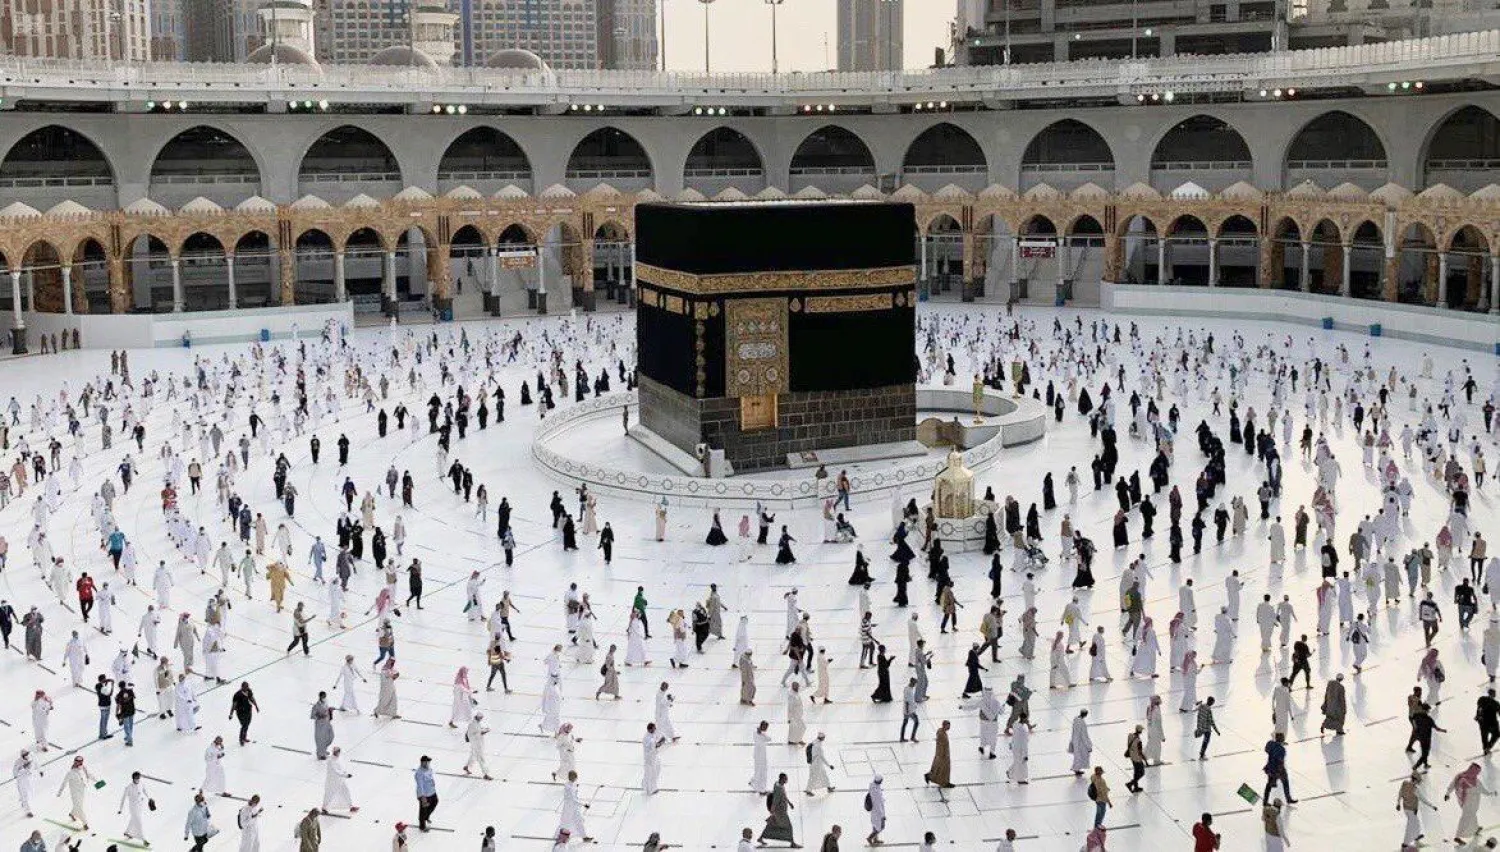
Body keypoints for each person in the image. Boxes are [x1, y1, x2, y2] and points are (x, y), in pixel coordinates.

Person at [759, 773, 797, 847]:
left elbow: (784, 796)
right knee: (788, 826)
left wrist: (789, 803)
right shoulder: (779, 788)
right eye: (786, 779)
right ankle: (792, 842)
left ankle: (761, 838)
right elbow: (775, 800)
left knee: (772, 824)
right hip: (780, 811)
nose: (787, 780)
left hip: (781, 810)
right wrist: (772, 811)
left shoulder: (778, 785)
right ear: (782, 779)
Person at [414, 756, 438, 832]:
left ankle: (426, 816)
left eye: (428, 761)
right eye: (427, 761)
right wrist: (422, 797)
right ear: (423, 762)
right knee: (423, 810)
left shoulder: (429, 768)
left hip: (432, 791)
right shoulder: (419, 773)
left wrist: (433, 781)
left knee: (435, 802)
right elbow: (420, 785)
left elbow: (430, 776)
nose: (428, 763)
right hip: (425, 795)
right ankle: (422, 826)